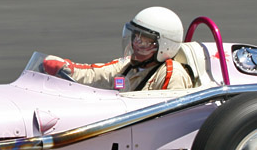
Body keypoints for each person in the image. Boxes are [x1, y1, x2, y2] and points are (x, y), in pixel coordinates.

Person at [43, 6, 193, 92]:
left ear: (165, 46)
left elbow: (170, 119)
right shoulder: (127, 65)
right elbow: (94, 74)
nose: (136, 44)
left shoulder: (172, 75)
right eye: (135, 37)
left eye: (145, 41)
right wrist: (65, 68)